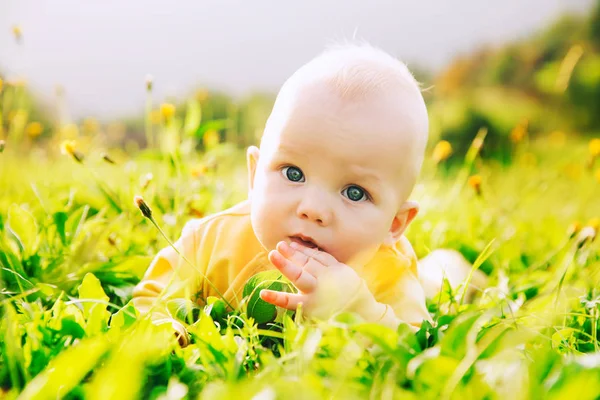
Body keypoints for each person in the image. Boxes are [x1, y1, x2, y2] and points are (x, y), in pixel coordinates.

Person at [133, 43, 434, 346]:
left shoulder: (388, 272)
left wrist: (360, 311)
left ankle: (446, 266)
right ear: (255, 175)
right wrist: (163, 329)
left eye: (354, 193)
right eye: (293, 173)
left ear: (394, 224)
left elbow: (414, 348)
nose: (313, 209)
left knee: (438, 277)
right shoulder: (213, 240)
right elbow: (150, 296)